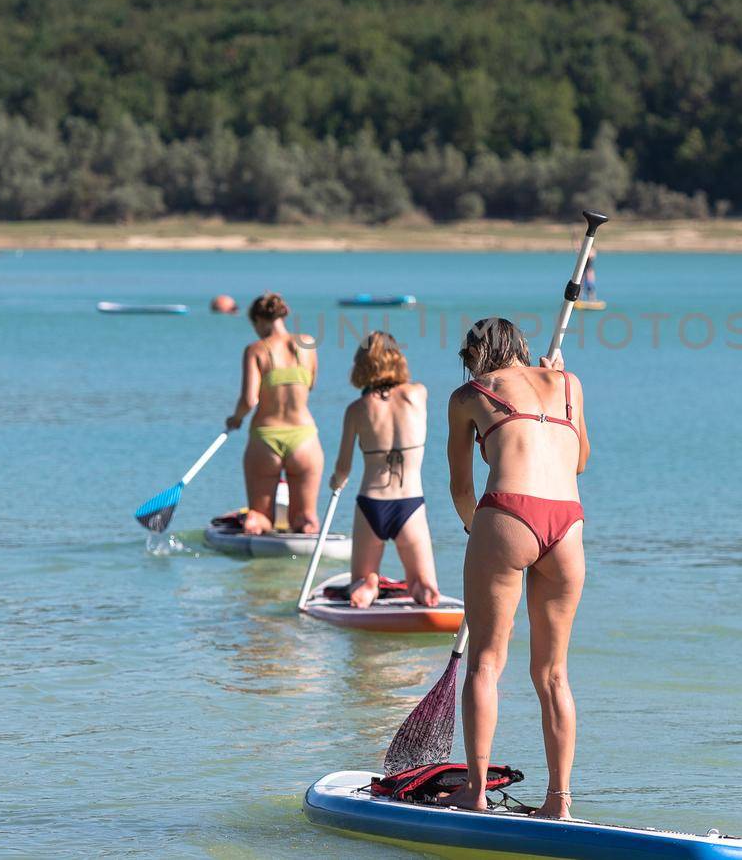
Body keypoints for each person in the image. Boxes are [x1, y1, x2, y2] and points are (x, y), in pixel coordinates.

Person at [445, 318, 589, 820]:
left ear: (476, 357)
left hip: (508, 513)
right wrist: (556, 378)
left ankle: (476, 792)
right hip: (568, 526)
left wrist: (476, 531)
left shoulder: (468, 395)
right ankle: (559, 802)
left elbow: (462, 488)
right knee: (553, 674)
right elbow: (580, 462)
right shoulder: (570, 384)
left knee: (485, 662)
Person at [328, 332, 441, 608]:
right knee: (423, 587)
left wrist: (335, 482)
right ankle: (423, 591)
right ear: (397, 359)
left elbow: (344, 467)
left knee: (360, 580)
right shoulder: (418, 394)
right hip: (410, 504)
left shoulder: (356, 409)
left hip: (372, 504)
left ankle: (367, 585)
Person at [218, 292, 322, 535]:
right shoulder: (308, 343)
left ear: (258, 320)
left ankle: (256, 530)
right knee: (305, 519)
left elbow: (249, 399)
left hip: (266, 438)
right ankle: (305, 531)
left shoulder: (255, 350)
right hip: (304, 438)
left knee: (260, 517)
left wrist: (236, 419)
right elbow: (311, 385)